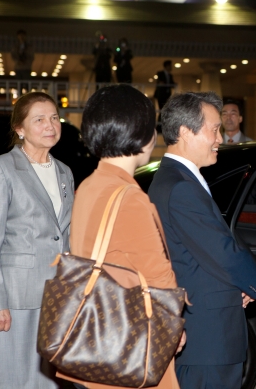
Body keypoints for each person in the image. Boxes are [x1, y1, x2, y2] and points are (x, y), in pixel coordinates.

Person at [60, 84, 185, 389]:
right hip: (130, 343)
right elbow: (158, 277)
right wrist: (174, 327)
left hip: (96, 333)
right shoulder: (129, 196)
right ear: (143, 136)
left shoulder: (90, 184)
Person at [148, 92, 256, 389]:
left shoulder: (172, 178)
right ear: (186, 132)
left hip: (202, 330)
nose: (220, 139)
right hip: (208, 334)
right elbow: (221, 250)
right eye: (214, 129)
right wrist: (253, 283)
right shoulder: (181, 186)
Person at [0, 92, 74, 387]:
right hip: (16, 297)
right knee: (14, 378)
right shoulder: (2, 169)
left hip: (56, 294)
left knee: (50, 380)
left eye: (54, 117)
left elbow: (64, 236)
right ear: (20, 129)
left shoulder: (65, 172)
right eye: (39, 119)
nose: (50, 125)